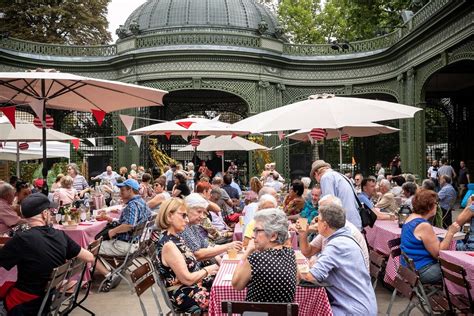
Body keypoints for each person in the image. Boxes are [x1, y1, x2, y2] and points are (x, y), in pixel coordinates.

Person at [0, 193, 94, 314]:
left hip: (24, 304)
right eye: (50, 211)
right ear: (44, 214)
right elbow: (89, 256)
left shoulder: (21, 239)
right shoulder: (60, 235)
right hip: (47, 300)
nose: (51, 214)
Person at [299, 202, 377, 315]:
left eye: (318, 219)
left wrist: (293, 271)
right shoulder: (341, 236)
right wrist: (303, 234)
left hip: (352, 309)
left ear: (325, 225)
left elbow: (311, 277)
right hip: (355, 303)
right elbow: (308, 252)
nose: (315, 222)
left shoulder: (338, 244)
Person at [155, 198, 219, 313]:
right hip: (183, 294)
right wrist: (208, 270)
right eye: (183, 216)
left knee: (227, 284)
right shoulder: (169, 244)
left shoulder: (175, 237)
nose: (186, 219)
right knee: (223, 300)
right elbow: (187, 279)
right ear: (169, 216)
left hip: (192, 287)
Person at [96, 179, 151, 291]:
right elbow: (129, 223)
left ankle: (109, 275)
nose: (120, 192)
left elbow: (129, 225)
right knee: (103, 242)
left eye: (122, 190)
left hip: (126, 245)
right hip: (136, 243)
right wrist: (109, 219)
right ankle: (115, 270)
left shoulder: (132, 205)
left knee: (90, 249)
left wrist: (113, 231)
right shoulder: (141, 202)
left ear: (130, 190)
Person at [232, 208, 297, 303]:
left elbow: (236, 285)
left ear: (273, 236)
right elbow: (297, 280)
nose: (253, 236)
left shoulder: (256, 259)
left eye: (257, 231)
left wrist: (247, 253)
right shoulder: (290, 254)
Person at [400, 189, 460, 284]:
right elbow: (438, 253)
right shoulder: (423, 225)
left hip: (408, 267)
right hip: (422, 270)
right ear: (429, 206)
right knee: (460, 272)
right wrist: (450, 233)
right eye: (436, 203)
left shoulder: (411, 217)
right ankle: (454, 297)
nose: (437, 206)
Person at [296, 195, 369, 271]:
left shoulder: (345, 233)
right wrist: (303, 234)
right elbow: (308, 252)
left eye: (322, 213)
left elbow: (327, 269)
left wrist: (314, 262)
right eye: (319, 212)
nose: (317, 217)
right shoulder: (330, 228)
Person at [180, 193, 242, 262]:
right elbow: (198, 254)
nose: (202, 216)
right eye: (199, 212)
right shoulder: (183, 228)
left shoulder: (193, 226)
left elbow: (207, 245)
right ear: (186, 210)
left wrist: (227, 248)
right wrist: (227, 247)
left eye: (203, 212)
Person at [310, 160, 362, 230]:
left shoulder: (326, 177)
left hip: (345, 225)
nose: (318, 182)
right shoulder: (341, 176)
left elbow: (329, 206)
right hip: (354, 222)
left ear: (316, 173)